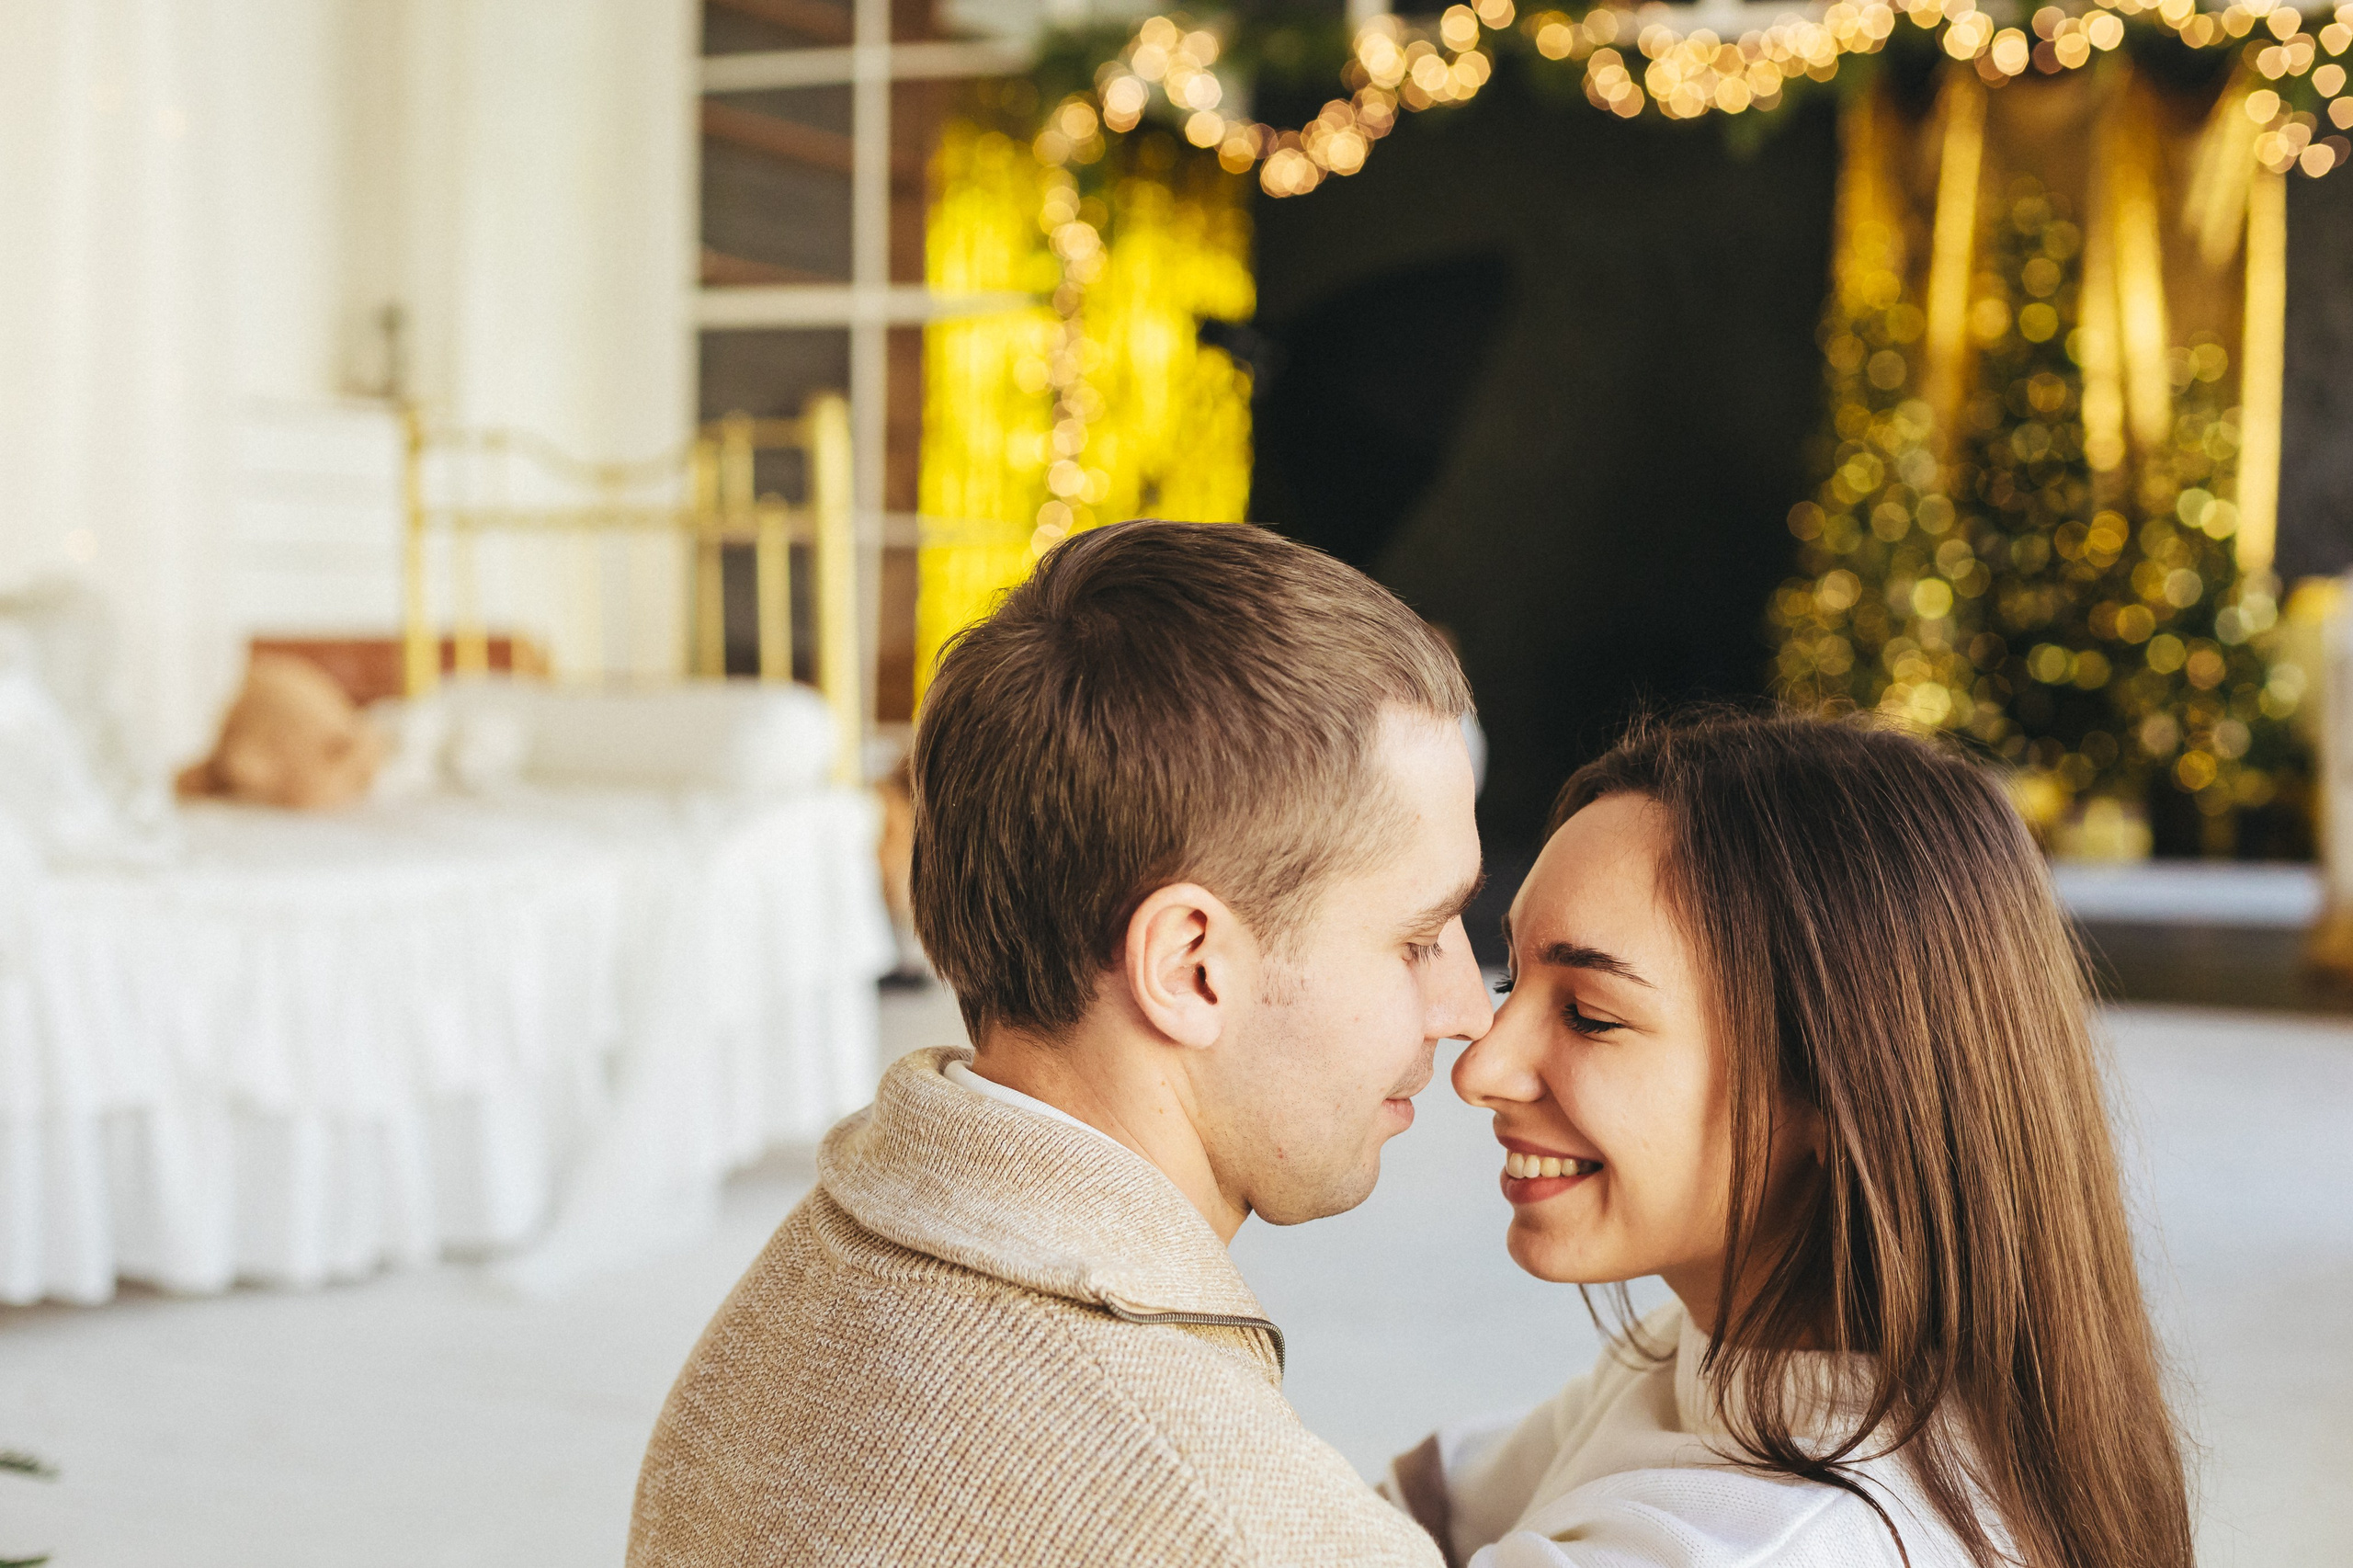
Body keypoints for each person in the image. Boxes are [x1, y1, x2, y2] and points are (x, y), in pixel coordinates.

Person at [629, 520, 1494, 1567]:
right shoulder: (1234, 1516)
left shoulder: (800, 1281)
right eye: (1417, 938)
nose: (1469, 1008)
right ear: (1190, 966)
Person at [1390, 710, 2193, 1568]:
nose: (1480, 1070)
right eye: (1512, 977)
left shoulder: (1768, 1545)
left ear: (1837, 1087)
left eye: (1589, 1014)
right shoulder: (1717, 1349)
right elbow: (1409, 1507)